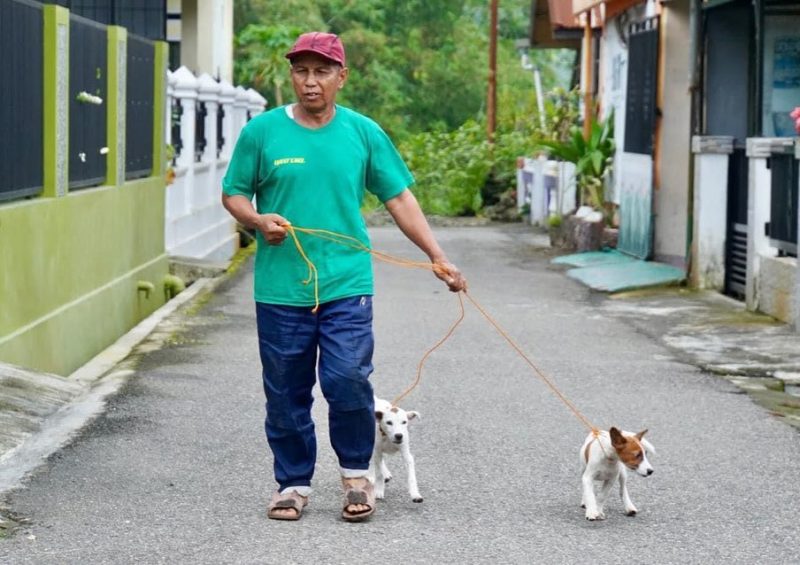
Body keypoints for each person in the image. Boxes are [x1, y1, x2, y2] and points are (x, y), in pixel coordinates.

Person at [221, 31, 466, 522]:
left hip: (346, 283)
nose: (310, 83)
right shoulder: (262, 133)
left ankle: (358, 474)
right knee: (286, 389)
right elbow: (234, 193)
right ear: (291, 75)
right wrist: (256, 221)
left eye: (321, 72)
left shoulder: (363, 132)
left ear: (341, 77)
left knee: (348, 378)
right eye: (301, 71)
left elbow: (398, 199)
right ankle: (292, 483)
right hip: (281, 287)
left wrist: (438, 256)